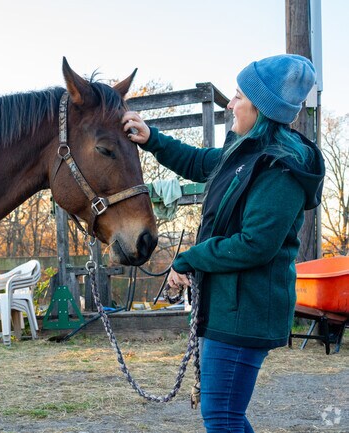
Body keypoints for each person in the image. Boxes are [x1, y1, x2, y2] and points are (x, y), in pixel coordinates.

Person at [122, 54, 325, 433]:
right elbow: (201, 163)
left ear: (262, 108)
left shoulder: (280, 169)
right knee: (223, 415)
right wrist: (152, 140)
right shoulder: (245, 151)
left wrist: (189, 259)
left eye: (237, 97)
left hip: (246, 307)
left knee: (222, 417)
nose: (230, 105)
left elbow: (254, 244)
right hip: (228, 303)